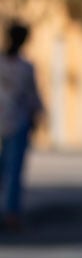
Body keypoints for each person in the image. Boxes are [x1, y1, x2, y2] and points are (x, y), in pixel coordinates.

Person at [0, 22, 45, 232]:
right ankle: (11, 214)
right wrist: (39, 117)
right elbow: (32, 97)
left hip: (8, 121)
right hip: (17, 123)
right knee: (14, 170)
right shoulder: (25, 67)